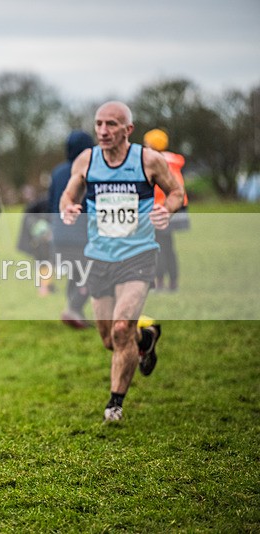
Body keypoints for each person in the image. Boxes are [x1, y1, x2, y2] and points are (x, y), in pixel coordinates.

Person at [59, 101, 184, 423]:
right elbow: (69, 194)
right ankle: (147, 338)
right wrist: (68, 208)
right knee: (108, 340)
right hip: (99, 257)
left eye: (112, 124)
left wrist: (165, 209)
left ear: (128, 130)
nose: (103, 130)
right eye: (99, 123)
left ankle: (115, 403)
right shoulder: (87, 160)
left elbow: (176, 192)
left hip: (138, 254)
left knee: (121, 327)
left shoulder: (148, 159)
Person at [48, 130, 95, 329]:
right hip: (81, 231)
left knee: (75, 273)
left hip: (59, 231)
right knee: (90, 274)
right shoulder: (89, 169)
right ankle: (73, 309)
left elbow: (52, 202)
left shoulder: (58, 171)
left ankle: (75, 311)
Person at [143, 128, 190, 291]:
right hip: (179, 207)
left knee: (159, 247)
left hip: (162, 207)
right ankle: (173, 282)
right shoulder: (173, 160)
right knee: (168, 247)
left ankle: (159, 282)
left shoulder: (154, 161)